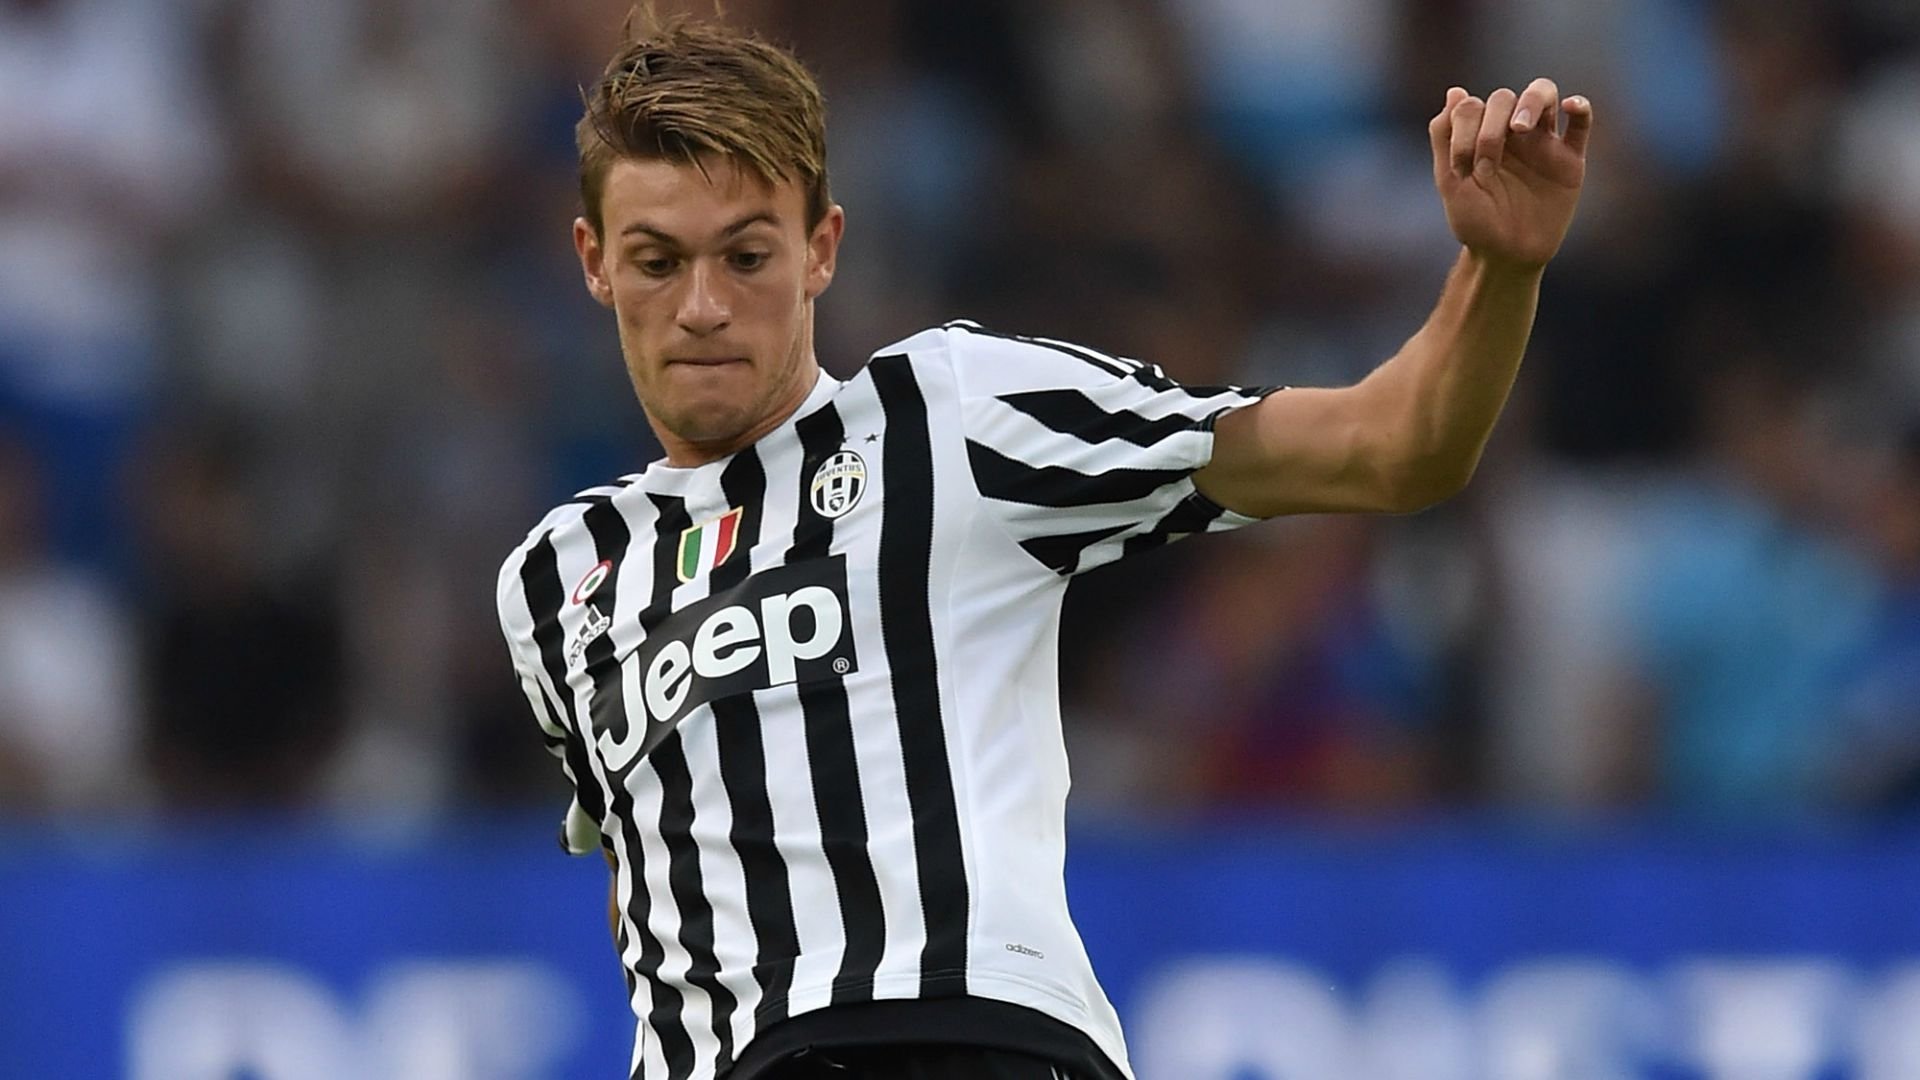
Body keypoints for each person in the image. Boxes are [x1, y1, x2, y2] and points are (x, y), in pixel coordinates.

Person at [495, 13, 1591, 1080]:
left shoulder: (956, 413)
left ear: (822, 246)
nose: (701, 307)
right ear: (593, 261)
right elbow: (651, 856)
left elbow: (1393, 450)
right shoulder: (556, 581)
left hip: (981, 1036)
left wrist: (1499, 269)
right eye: (656, 261)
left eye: (745, 255)